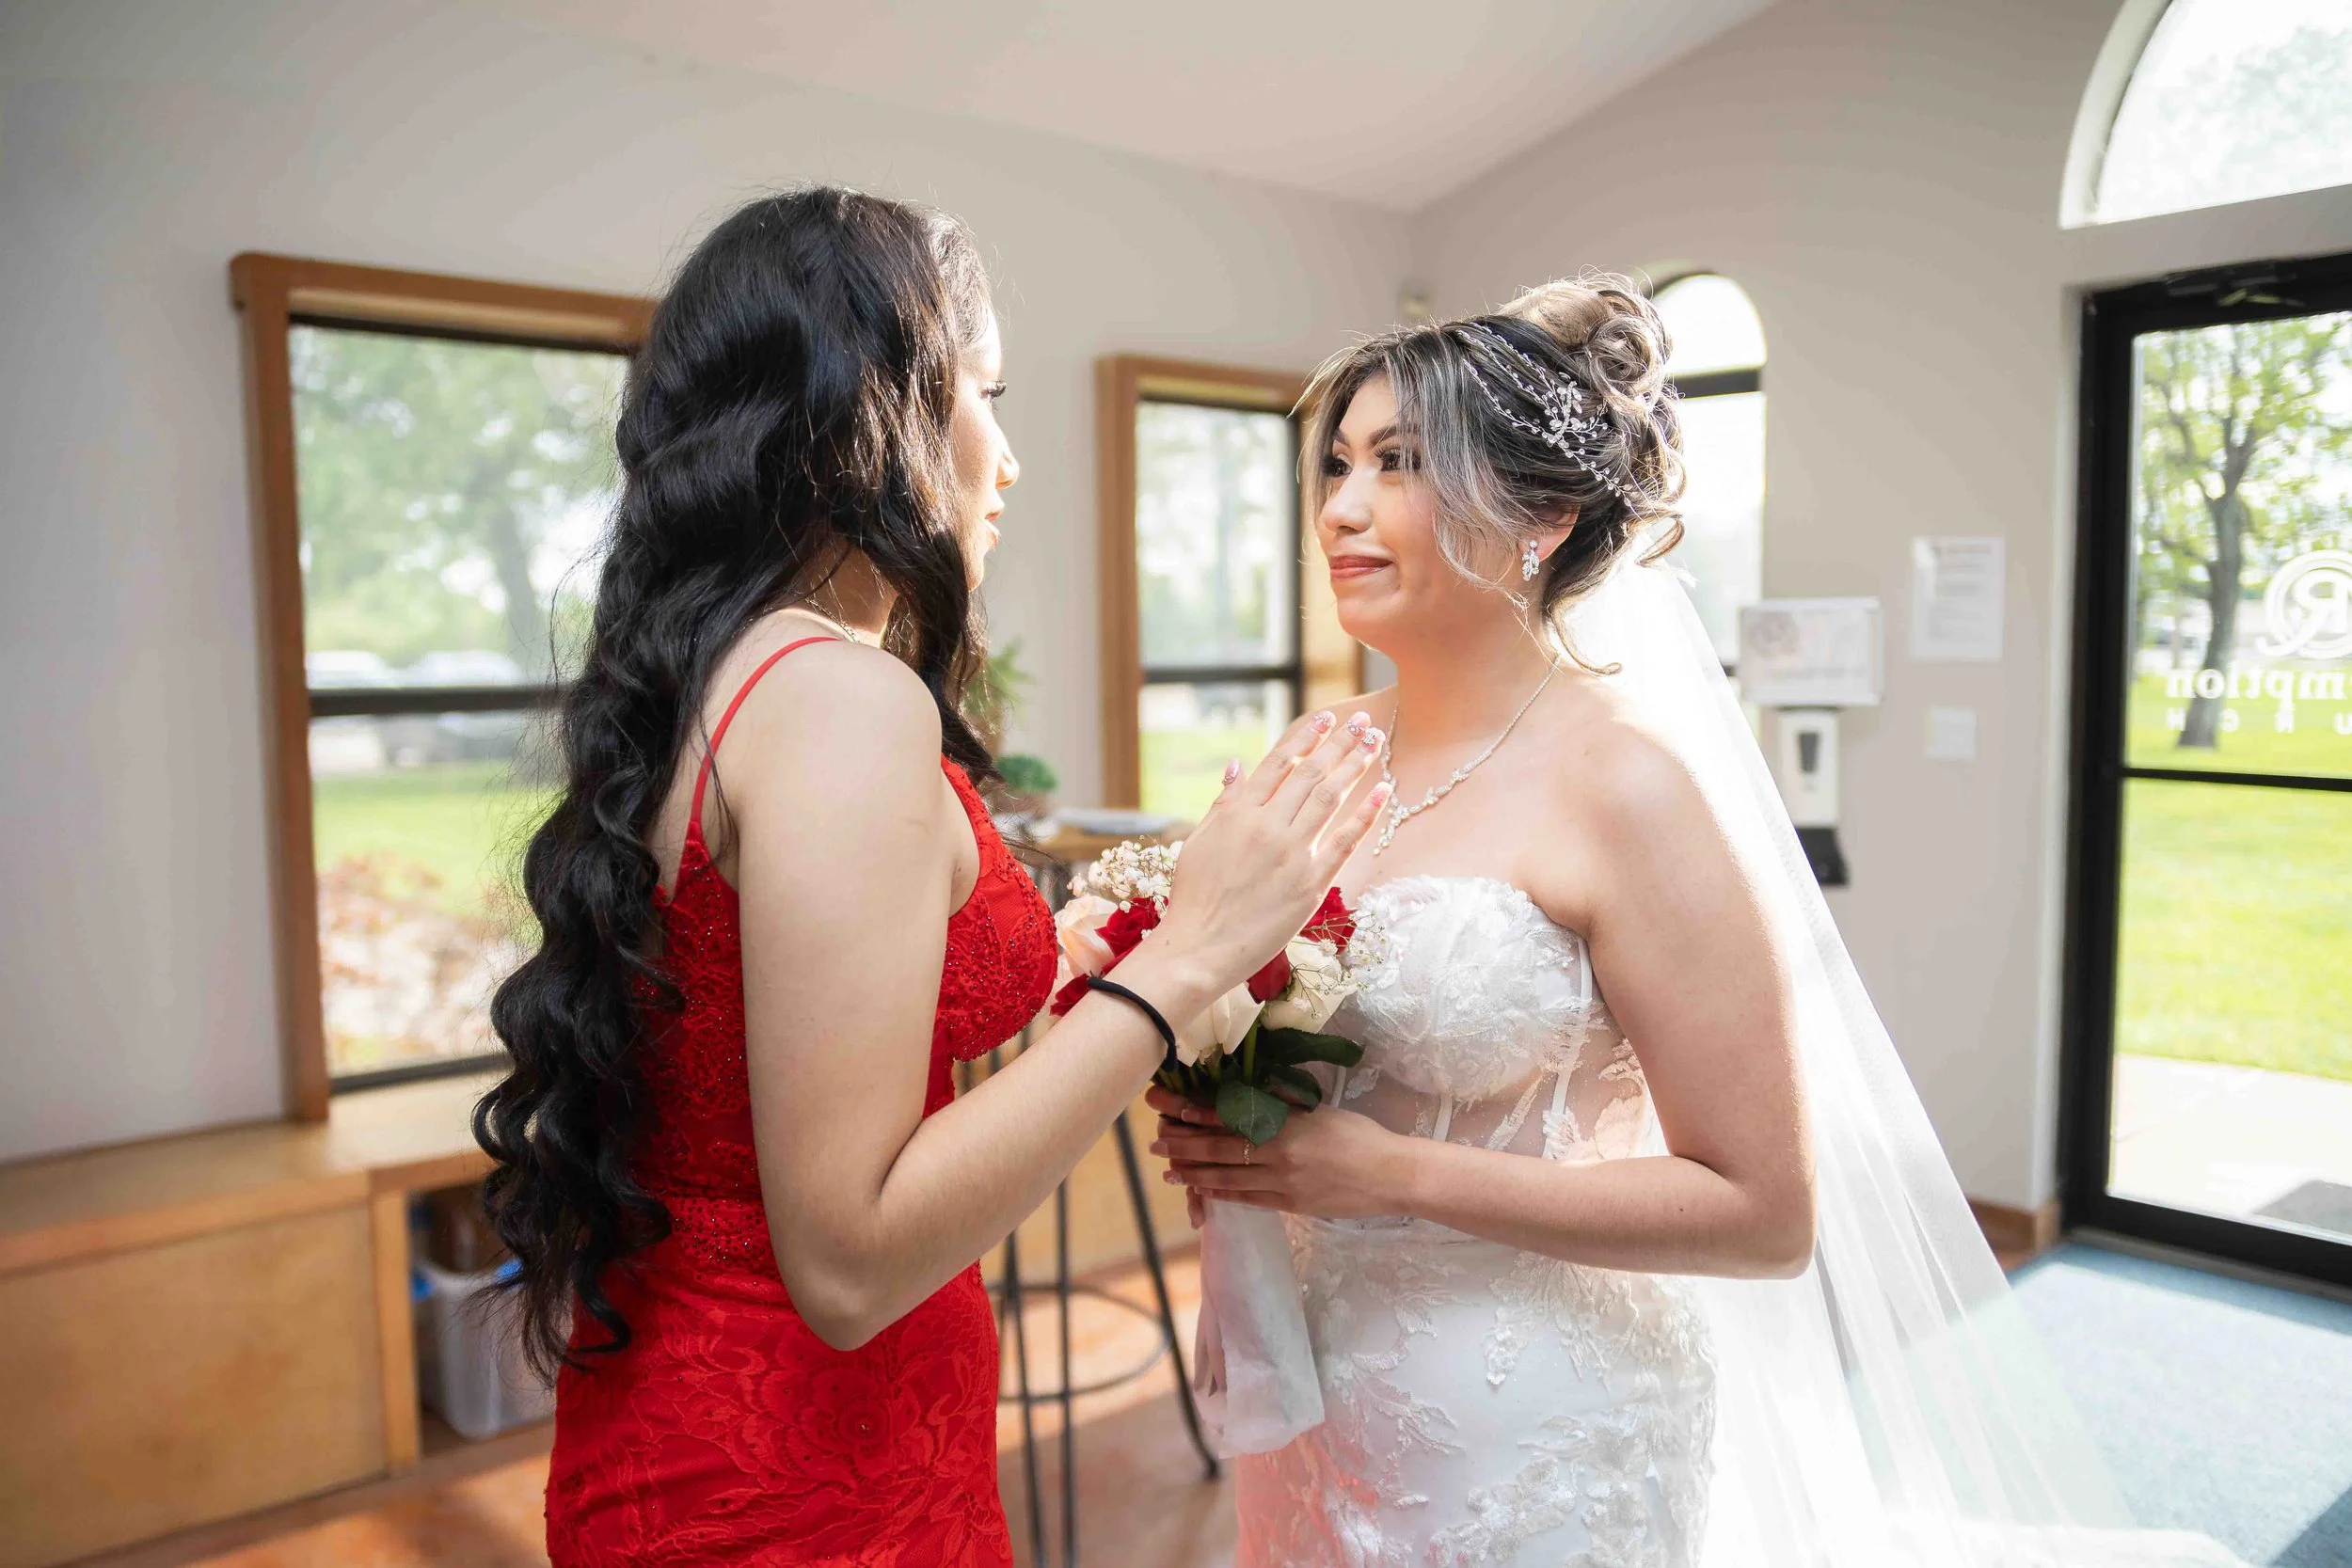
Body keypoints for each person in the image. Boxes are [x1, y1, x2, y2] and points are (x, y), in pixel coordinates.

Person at [1151, 278, 2245, 1567]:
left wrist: (1389, 1175)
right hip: (1324, 1394)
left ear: (1544, 517)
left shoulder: (1627, 786)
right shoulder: (1317, 754)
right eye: (1336, 462)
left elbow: (1766, 1209)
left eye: (1397, 463)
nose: (1338, 505)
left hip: (1536, 1429)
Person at [471, 186, 1390, 1566]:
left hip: (745, 1424)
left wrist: (1073, 954)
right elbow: (847, 1262)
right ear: (873, 410)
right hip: (798, 1476)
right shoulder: (842, 699)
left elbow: (755, 1020)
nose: (1007, 457)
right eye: (986, 394)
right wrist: (1180, 961)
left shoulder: (725, 669)